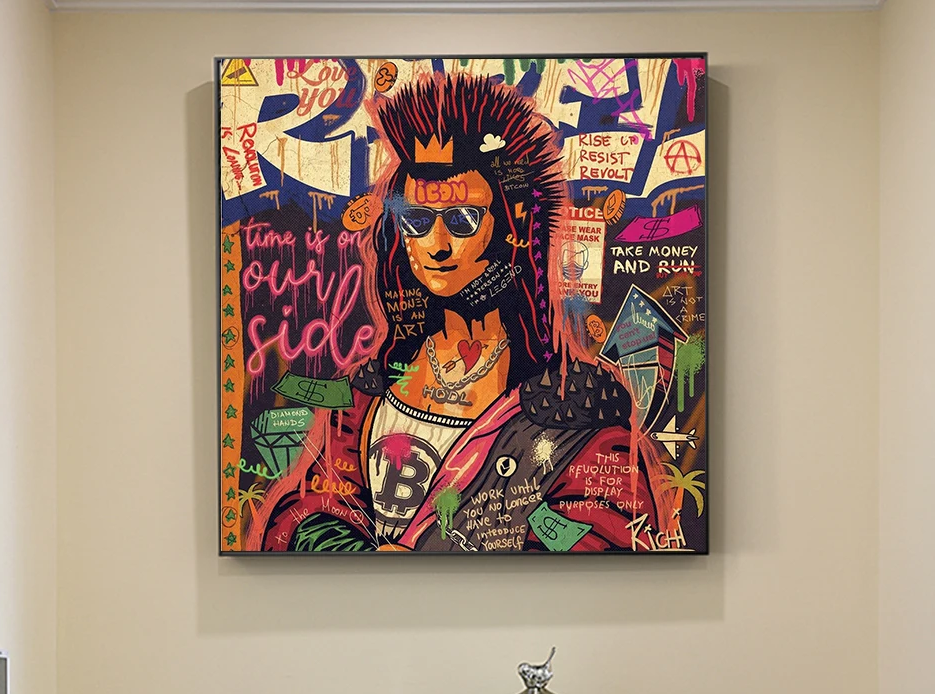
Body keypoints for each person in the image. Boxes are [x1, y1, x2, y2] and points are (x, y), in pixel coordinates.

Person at [261, 71, 668, 552]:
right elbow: (307, 510)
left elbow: (607, 538)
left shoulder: (575, 406)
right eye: (416, 221)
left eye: (461, 219)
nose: (436, 244)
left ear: (509, 230)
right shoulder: (367, 392)